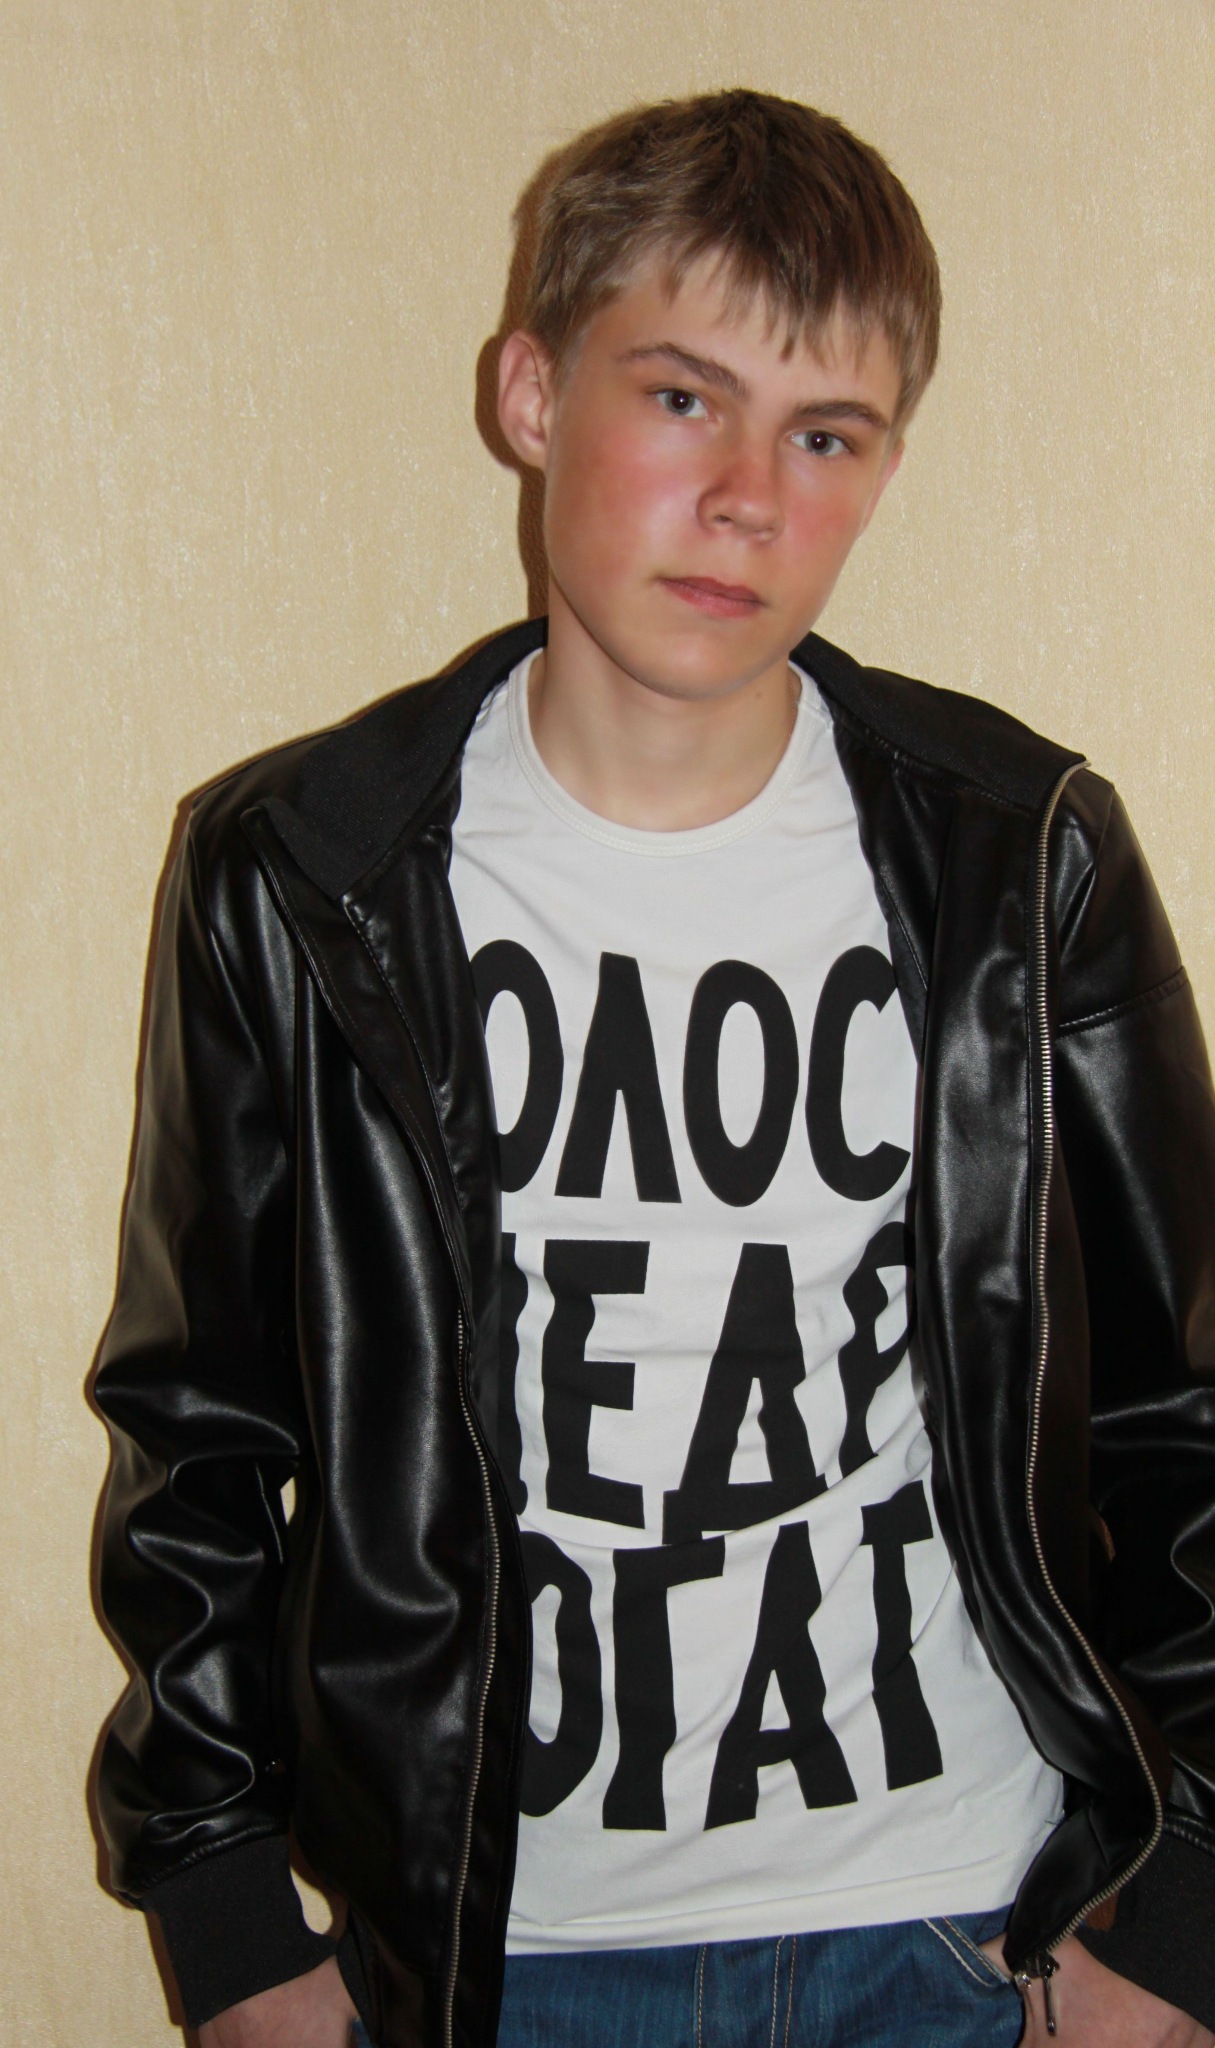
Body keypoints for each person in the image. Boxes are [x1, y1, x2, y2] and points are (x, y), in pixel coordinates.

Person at [93, 90, 1215, 2048]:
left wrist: (1183, 1922)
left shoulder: (1017, 861)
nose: (749, 499)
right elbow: (198, 1432)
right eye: (684, 398)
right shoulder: (303, 872)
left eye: (826, 434)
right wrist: (223, 1915)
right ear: (530, 393)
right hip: (489, 1951)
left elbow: (1182, 1414)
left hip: (953, 1933)